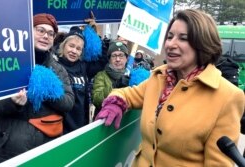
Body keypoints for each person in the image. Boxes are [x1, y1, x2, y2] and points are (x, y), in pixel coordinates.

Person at [95, 9, 245, 166]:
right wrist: (117, 101)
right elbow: (129, 94)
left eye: (183, 38)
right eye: (170, 37)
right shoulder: (158, 77)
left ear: (203, 44)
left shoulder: (228, 96)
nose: (171, 44)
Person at [0, 13, 74, 164]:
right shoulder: (8, 63)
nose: (46, 36)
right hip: (9, 148)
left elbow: (68, 102)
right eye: (40, 30)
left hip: (46, 146)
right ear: (28, 32)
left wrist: (46, 87)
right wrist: (12, 103)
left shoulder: (58, 69)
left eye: (50, 34)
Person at [57, 29, 89, 133]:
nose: (74, 51)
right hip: (62, 129)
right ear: (63, 45)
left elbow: (102, 61)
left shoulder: (83, 67)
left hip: (81, 126)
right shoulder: (55, 66)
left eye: (78, 48)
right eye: (71, 46)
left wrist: (92, 29)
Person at [92, 41, 129, 116]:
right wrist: (113, 87)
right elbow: (97, 100)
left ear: (126, 58)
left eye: (121, 55)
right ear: (109, 59)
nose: (118, 59)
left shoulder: (132, 76)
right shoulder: (101, 76)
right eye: (114, 56)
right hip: (105, 119)